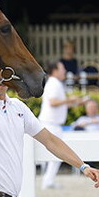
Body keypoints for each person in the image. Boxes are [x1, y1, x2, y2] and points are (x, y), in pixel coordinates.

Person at [38, 60, 81, 189]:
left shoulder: (55, 83)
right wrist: (70, 100)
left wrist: (73, 102)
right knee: (58, 152)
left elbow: (58, 103)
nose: (64, 71)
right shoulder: (54, 83)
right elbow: (53, 102)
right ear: (55, 71)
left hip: (52, 124)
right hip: (50, 124)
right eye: (62, 69)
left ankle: (48, 180)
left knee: (56, 154)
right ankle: (47, 181)